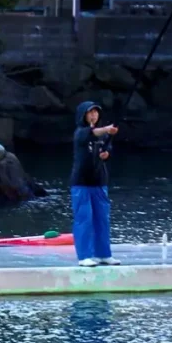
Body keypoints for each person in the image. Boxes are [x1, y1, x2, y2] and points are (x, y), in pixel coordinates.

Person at [71, 101, 120, 267]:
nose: (93, 115)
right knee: (84, 219)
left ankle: (103, 254)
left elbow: (107, 149)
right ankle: (84, 256)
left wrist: (107, 154)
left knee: (102, 219)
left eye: (96, 112)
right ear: (83, 116)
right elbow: (93, 133)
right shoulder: (80, 132)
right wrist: (107, 129)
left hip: (99, 182)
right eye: (90, 112)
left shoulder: (103, 135)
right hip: (81, 183)